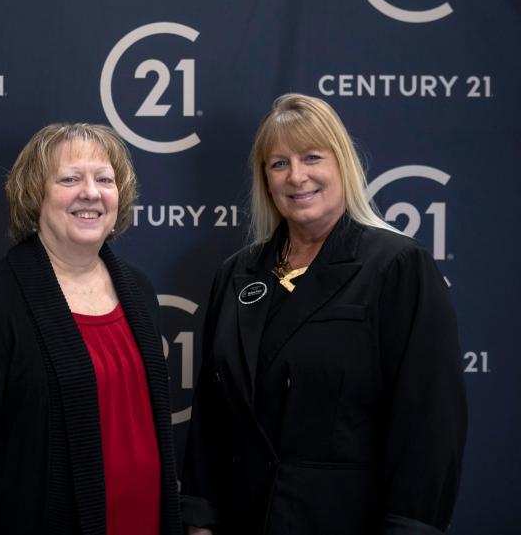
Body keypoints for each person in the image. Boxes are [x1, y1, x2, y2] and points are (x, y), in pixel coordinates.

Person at [181, 94, 467, 535]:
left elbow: (428, 419)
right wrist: (200, 517)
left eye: (312, 157)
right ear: (265, 179)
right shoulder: (237, 274)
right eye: (279, 164)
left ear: (342, 165)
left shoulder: (396, 266)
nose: (297, 177)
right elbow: (212, 412)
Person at [0, 123, 181, 535]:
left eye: (104, 179)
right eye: (70, 179)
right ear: (35, 194)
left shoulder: (138, 289)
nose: (90, 192)